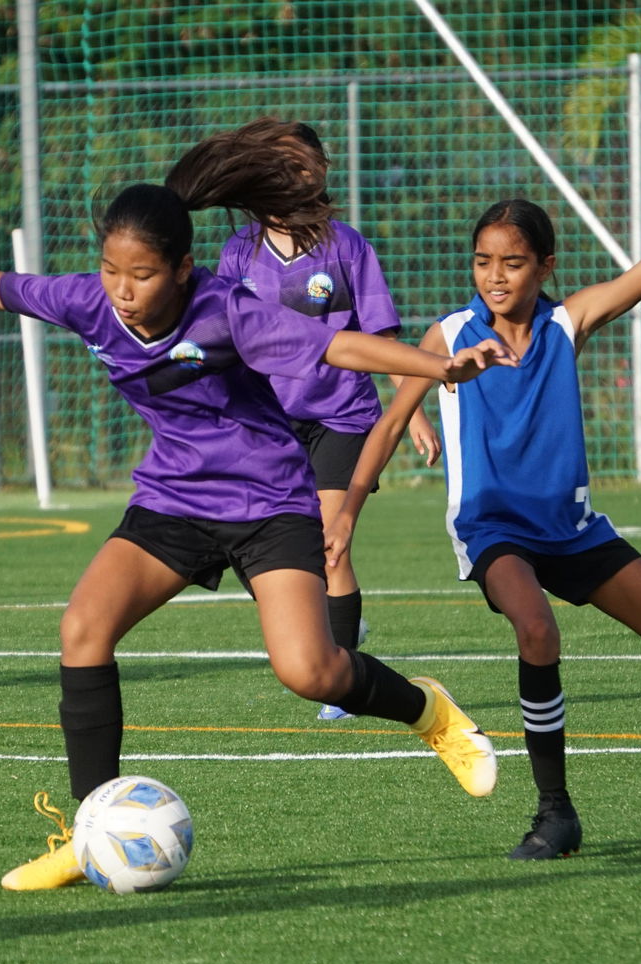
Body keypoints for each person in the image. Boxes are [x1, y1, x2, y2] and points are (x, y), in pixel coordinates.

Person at [0, 149, 518, 892]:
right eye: (113, 271)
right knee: (83, 629)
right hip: (174, 497)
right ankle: (88, 836)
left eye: (142, 275)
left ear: (182, 268)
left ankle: (428, 711)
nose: (122, 290)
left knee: (311, 671)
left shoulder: (230, 311)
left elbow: (336, 345)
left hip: (268, 500)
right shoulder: (89, 301)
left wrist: (436, 367)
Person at [329, 80, 641, 860]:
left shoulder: (564, 323)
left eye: (513, 262)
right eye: (483, 261)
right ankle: (555, 813)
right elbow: (384, 421)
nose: (495, 275)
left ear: (546, 265)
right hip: (495, 531)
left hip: (574, 529)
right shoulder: (447, 335)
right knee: (537, 629)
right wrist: (346, 511)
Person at [194, 119, 441, 720]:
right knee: (273, 552)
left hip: (342, 414)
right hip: (269, 424)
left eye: (307, 167)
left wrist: (410, 410)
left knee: (332, 546)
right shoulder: (238, 251)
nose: (298, 179)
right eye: (283, 168)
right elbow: (224, 336)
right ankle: (328, 623)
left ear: (321, 172)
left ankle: (345, 678)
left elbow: (380, 335)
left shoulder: (347, 245)